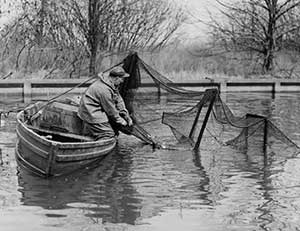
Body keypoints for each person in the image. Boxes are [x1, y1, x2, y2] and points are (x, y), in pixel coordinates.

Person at [78, 66, 133, 140]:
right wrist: (121, 121)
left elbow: (119, 100)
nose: (122, 81)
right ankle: (97, 145)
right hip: (91, 112)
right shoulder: (104, 90)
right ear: (116, 78)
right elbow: (110, 110)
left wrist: (126, 116)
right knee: (109, 134)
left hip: (98, 109)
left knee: (114, 129)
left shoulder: (111, 84)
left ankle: (94, 131)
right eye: (122, 79)